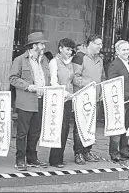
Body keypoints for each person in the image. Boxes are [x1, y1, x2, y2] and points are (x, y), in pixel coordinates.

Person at [9, 32, 51, 171]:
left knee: (35, 132)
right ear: (34, 46)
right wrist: (28, 86)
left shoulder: (44, 60)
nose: (44, 46)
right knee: (22, 133)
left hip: (40, 100)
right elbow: (13, 78)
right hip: (26, 101)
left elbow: (48, 78)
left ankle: (32, 158)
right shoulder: (20, 60)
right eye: (41, 44)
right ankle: (20, 159)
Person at [106, 40, 129, 163]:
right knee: (117, 127)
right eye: (123, 50)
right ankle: (114, 153)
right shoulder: (114, 65)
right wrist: (127, 96)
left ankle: (124, 151)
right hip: (119, 101)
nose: (126, 52)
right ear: (117, 51)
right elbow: (113, 85)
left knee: (126, 127)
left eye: (127, 49)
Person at [71, 35, 106, 164]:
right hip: (82, 97)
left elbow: (102, 77)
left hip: (95, 98)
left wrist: (101, 90)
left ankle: (87, 150)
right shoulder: (80, 57)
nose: (100, 47)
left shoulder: (100, 60)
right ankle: (78, 152)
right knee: (79, 126)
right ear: (90, 43)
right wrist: (89, 83)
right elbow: (74, 77)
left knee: (91, 126)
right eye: (98, 44)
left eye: (101, 44)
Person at [47, 38, 77, 168]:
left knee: (65, 128)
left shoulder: (70, 63)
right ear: (60, 48)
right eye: (67, 49)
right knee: (58, 128)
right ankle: (54, 159)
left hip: (69, 99)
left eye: (71, 50)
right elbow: (53, 81)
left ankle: (60, 156)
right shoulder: (54, 62)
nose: (69, 52)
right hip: (59, 98)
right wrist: (65, 93)